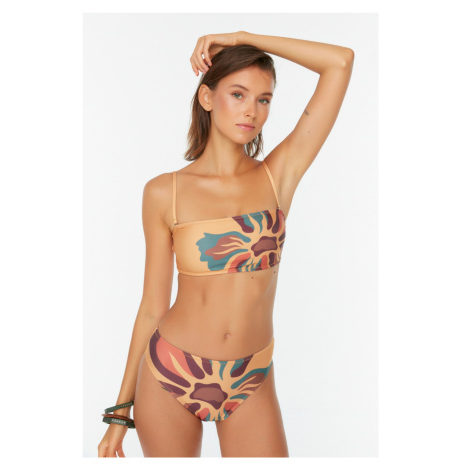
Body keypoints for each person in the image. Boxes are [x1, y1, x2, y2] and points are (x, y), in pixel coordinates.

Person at [97, 30, 354, 458]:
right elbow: (152, 307)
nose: (252, 110)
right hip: (169, 374)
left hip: (251, 376)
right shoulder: (164, 193)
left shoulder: (277, 175)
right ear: (207, 97)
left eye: (264, 99)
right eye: (238, 94)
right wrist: (120, 413)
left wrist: (242, 37)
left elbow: (340, 62)